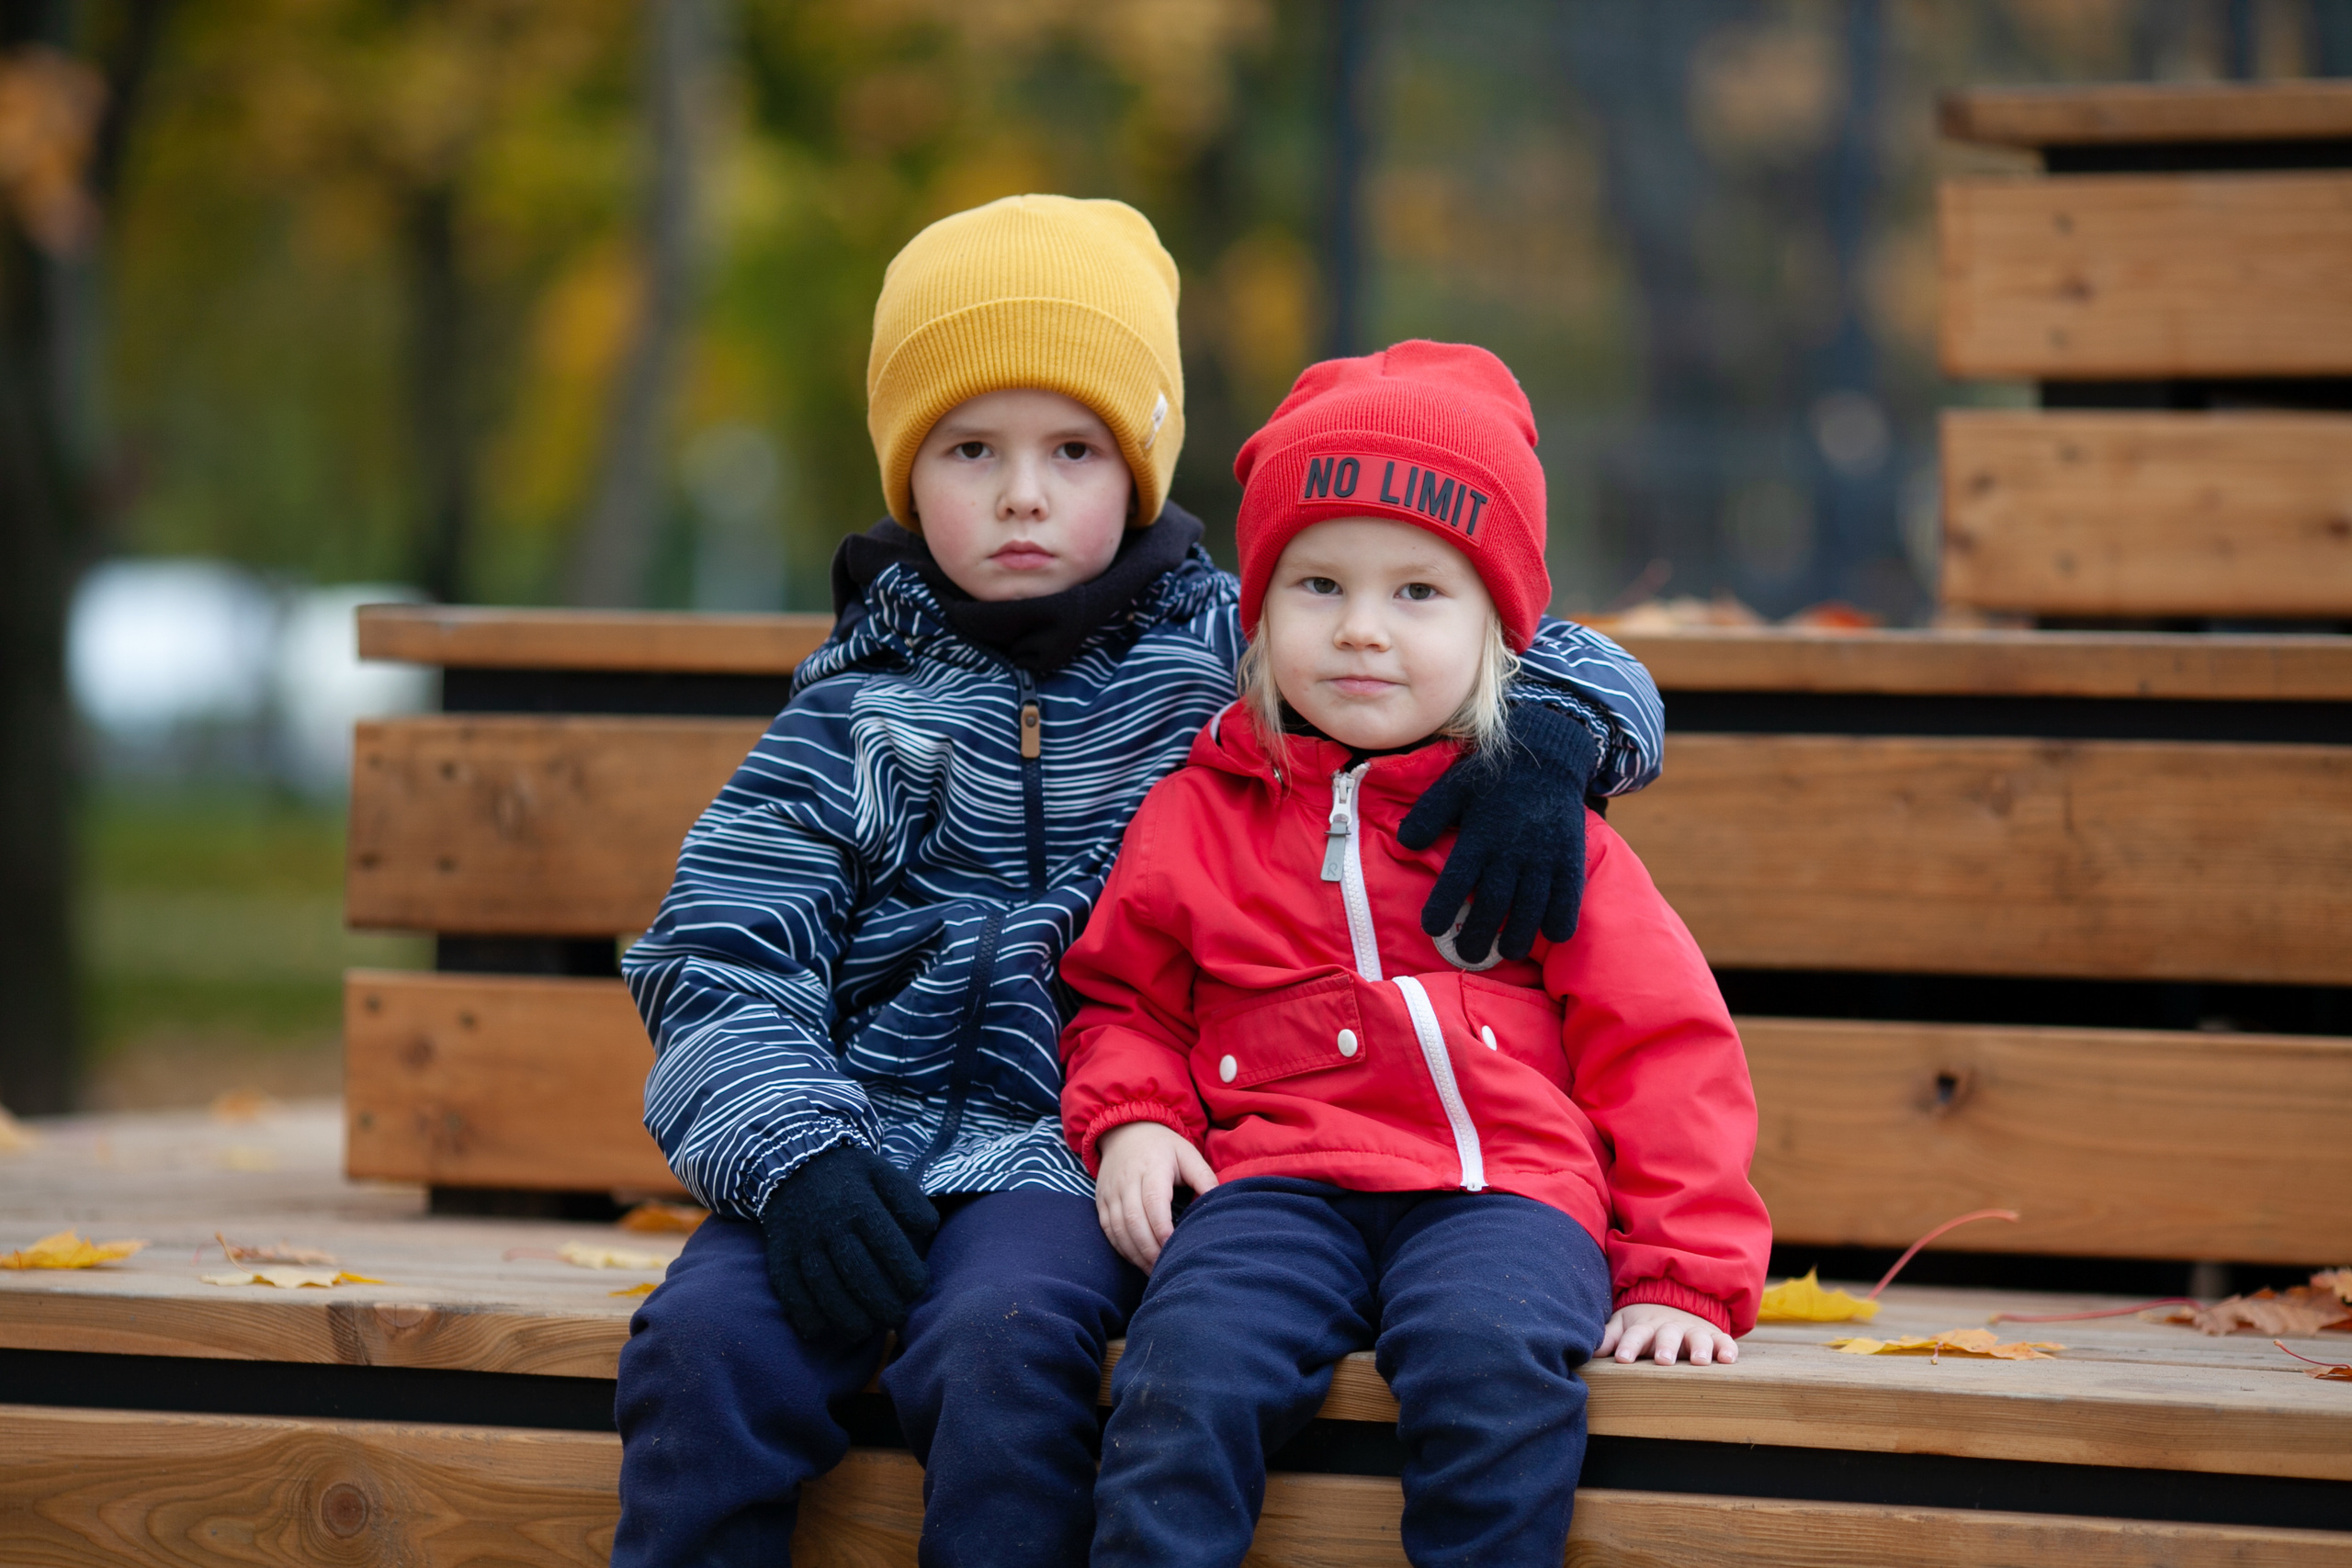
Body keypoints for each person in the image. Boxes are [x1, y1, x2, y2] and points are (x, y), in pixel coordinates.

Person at [611, 199, 1668, 1567]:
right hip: (837, 1148)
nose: (1024, 494)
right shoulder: (850, 719)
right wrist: (790, 1151)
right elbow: (716, 957)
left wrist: (1552, 739)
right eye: (968, 449)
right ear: (902, 471)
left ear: (1144, 467)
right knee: (702, 1353)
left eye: (1074, 449)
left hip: (1078, 1156)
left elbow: (1487, 611)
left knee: (1006, 1353)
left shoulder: (1237, 668)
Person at [1061, 340, 1771, 1568]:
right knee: (1185, 1364)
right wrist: (1132, 1117)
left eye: (1418, 594)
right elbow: (1123, 998)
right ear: (1262, 606)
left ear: (1502, 627)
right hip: (1275, 1185)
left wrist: (1682, 1276)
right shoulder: (1201, 812)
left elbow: (1664, 1048)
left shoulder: (1538, 826)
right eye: (1318, 586)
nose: (1363, 633)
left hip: (1503, 1188)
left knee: (1490, 1359)